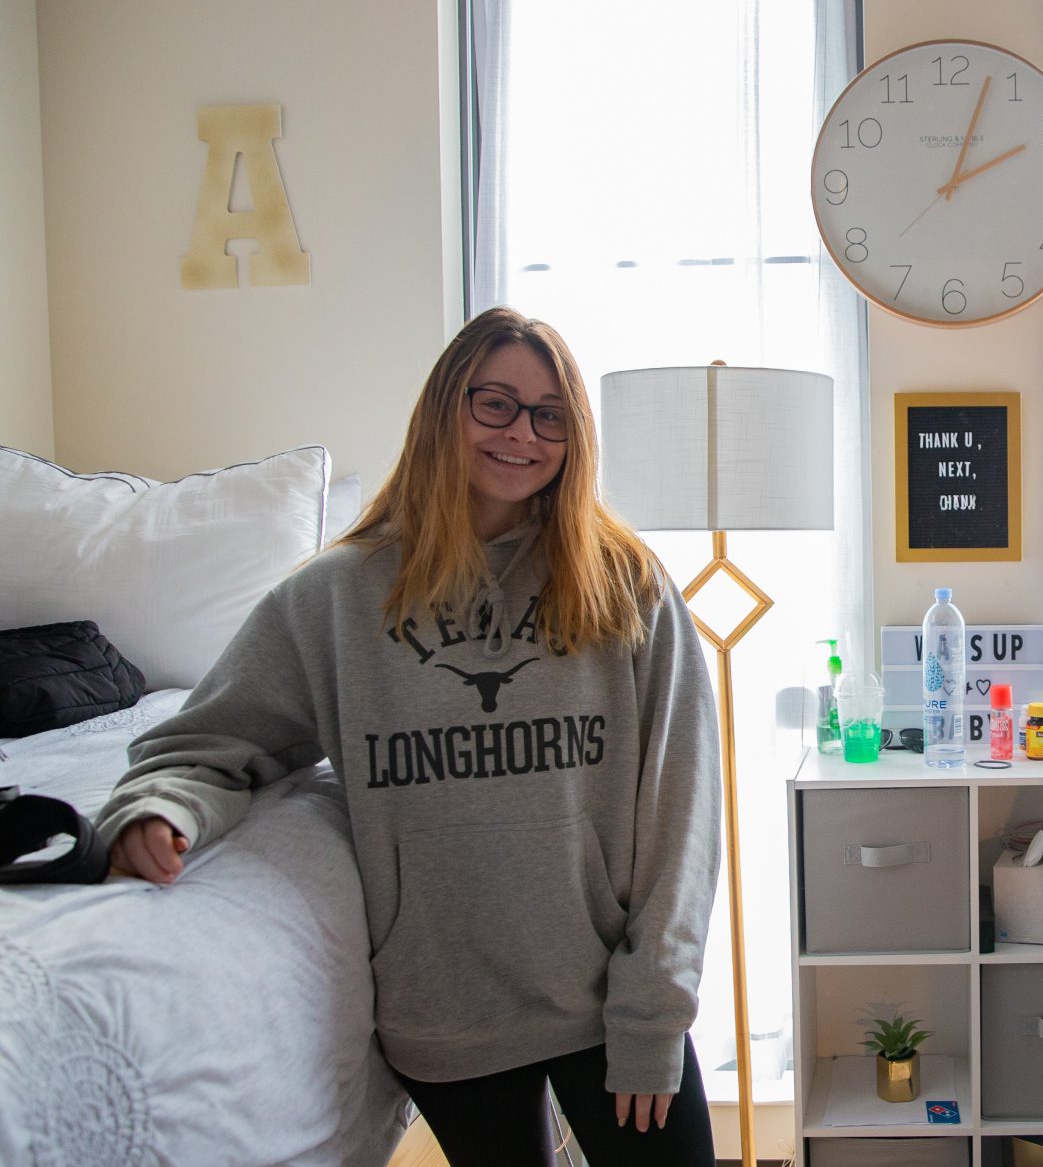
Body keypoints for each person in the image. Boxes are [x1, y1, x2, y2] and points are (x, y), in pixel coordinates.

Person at [97, 307, 722, 1166]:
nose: (522, 434)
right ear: (443, 409)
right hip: (445, 1009)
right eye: (494, 403)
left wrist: (656, 1006)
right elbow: (207, 742)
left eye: (551, 415)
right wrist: (160, 808)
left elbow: (683, 811)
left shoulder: (625, 585)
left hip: (611, 997)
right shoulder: (334, 597)